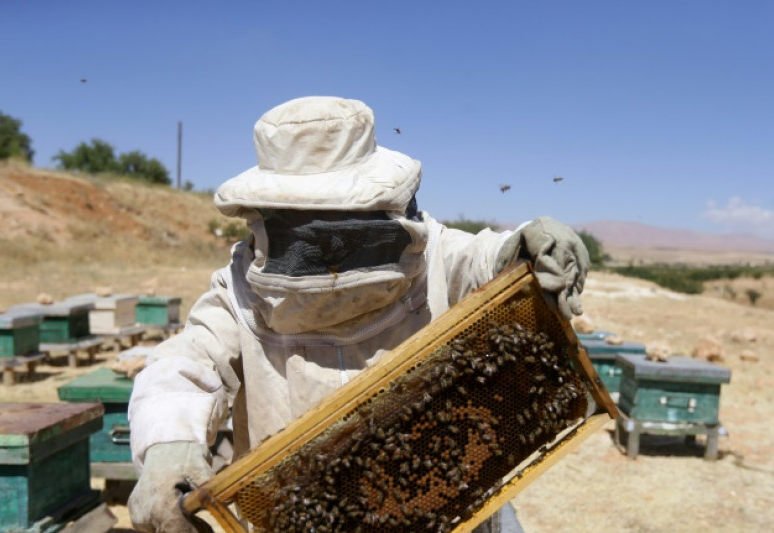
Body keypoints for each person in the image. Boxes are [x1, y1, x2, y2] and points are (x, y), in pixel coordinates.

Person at [127, 96, 590, 533]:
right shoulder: (240, 287)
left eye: (343, 218)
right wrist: (168, 446)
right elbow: (185, 365)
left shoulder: (436, 253)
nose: (331, 240)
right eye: (312, 223)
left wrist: (525, 247)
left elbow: (485, 260)